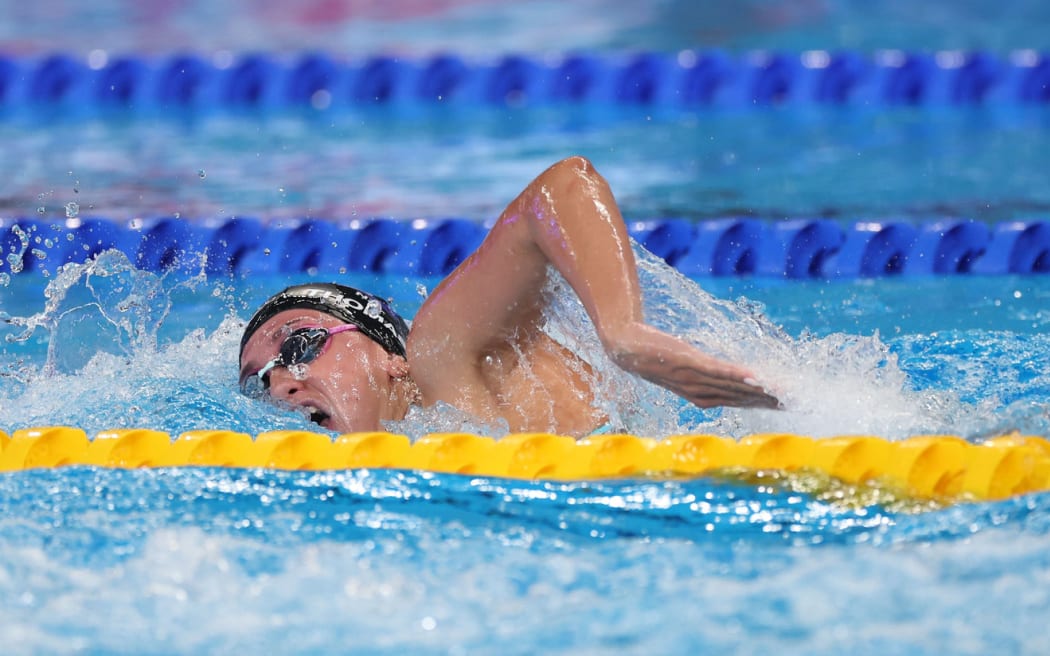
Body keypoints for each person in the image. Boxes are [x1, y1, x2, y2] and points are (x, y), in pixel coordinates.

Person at [238, 156, 778, 437]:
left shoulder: (438, 357)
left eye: (302, 345)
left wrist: (624, 333)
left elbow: (562, 187)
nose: (282, 382)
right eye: (258, 383)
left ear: (390, 359)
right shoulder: (418, 443)